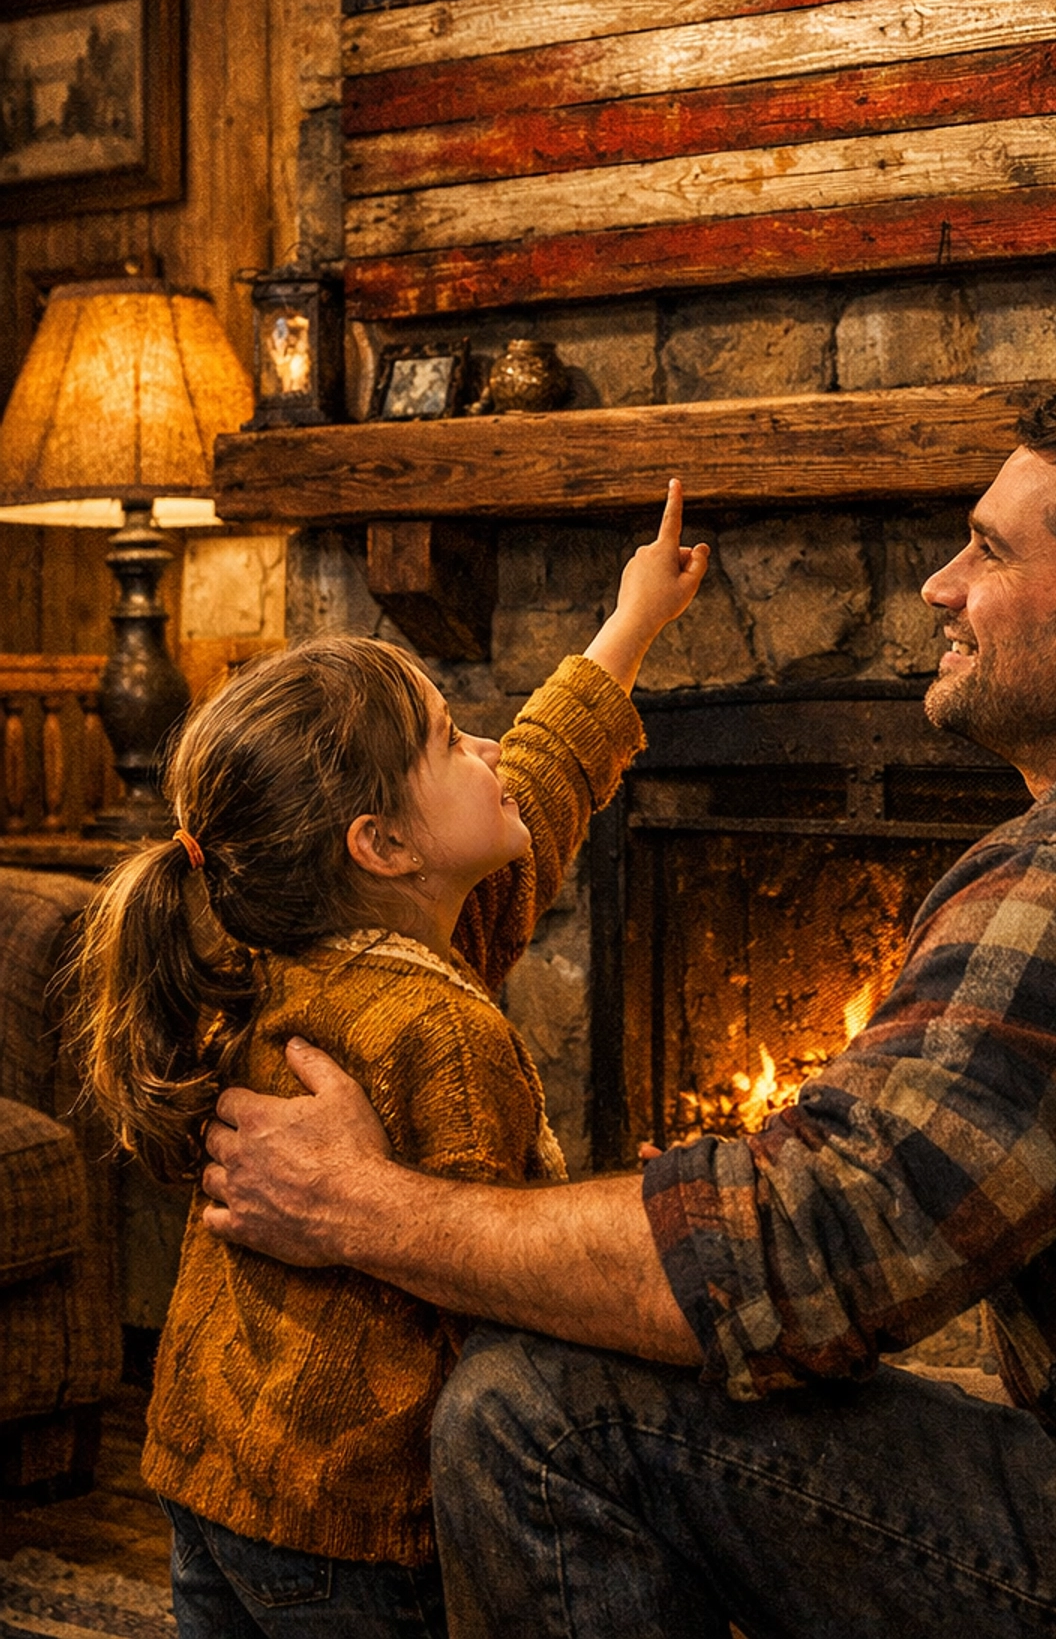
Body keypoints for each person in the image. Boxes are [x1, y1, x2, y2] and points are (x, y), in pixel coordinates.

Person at [199, 387, 1056, 1639]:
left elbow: (797, 1259)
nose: (937, 587)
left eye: (987, 552)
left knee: (540, 1407)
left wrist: (358, 1210)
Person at [75, 483, 708, 1638]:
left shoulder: (270, 962)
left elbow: (544, 785)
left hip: (205, 1475)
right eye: (447, 740)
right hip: (351, 1528)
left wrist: (633, 622)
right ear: (383, 846)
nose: (488, 748)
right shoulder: (442, 1032)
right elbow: (496, 1283)